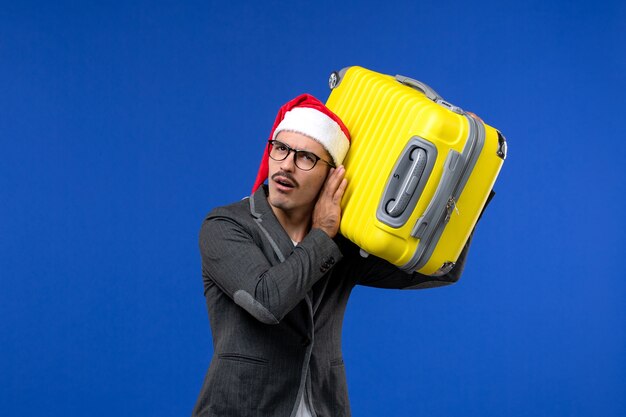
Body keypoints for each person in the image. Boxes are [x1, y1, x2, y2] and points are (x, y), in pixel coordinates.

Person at [192, 94, 472, 417]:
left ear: (332, 176)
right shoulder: (226, 225)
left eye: (306, 157)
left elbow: (440, 270)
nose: (286, 164)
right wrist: (322, 234)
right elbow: (266, 301)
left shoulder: (344, 241)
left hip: (323, 406)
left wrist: (467, 179)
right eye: (280, 148)